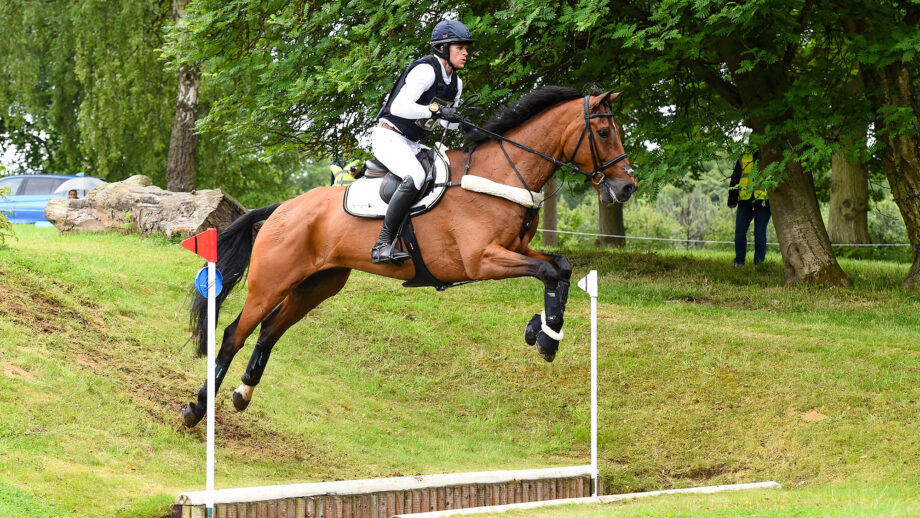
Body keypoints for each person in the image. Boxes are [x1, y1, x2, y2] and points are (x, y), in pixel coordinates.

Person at [369, 19, 473, 265]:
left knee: (447, 171)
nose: (466, 52)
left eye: (466, 48)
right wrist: (436, 110)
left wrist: (463, 123)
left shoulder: (455, 83)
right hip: (389, 135)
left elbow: (447, 121)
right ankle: (382, 244)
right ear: (443, 48)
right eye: (460, 47)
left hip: (413, 143)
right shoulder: (426, 70)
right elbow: (399, 106)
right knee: (416, 176)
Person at [727, 151, 771, 266]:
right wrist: (732, 198)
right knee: (740, 232)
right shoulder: (743, 157)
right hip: (745, 200)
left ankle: (759, 264)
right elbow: (735, 178)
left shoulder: (770, 155)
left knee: (759, 233)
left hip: (763, 202)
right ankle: (739, 261)